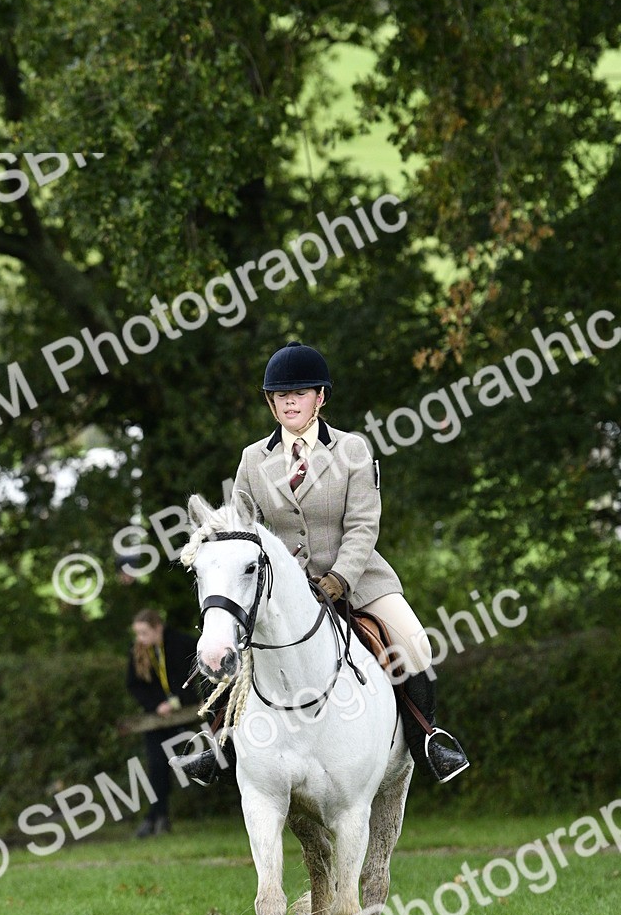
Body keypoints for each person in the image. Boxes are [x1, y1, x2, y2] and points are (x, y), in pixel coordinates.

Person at [180, 340, 469, 786]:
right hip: (277, 591)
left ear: (321, 397)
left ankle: (427, 740)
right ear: (270, 402)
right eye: (280, 394)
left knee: (415, 643)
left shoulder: (353, 450)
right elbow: (237, 526)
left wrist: (339, 579)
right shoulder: (253, 459)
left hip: (356, 578)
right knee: (220, 640)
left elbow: (363, 526)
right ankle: (218, 742)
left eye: (300, 392)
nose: (289, 401)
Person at [125, 608, 199, 836]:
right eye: (137, 633)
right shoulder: (138, 652)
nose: (140, 639)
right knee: (157, 765)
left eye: (144, 633)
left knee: (179, 762)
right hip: (157, 718)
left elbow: (196, 673)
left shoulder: (182, 643)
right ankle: (157, 816)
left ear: (158, 628)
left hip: (185, 714)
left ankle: (157, 817)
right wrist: (156, 704)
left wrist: (177, 701)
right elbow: (134, 685)